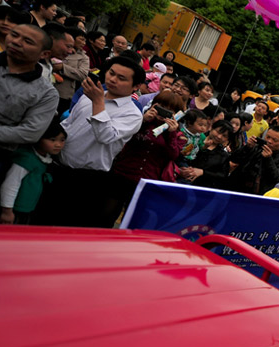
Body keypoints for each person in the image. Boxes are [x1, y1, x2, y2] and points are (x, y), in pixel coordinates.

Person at [41, 54, 144, 227]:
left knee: (66, 228)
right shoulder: (90, 95)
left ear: (136, 86)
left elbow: (105, 136)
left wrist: (98, 102)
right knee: (41, 219)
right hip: (57, 167)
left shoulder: (132, 114)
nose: (112, 79)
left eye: (121, 78)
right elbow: (69, 125)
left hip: (86, 180)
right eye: (111, 73)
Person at [0, 24, 59, 219]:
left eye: (28, 41)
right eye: (14, 35)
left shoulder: (46, 93)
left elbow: (30, 132)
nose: (16, 42)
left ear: (44, 54)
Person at [102, 90, 186, 225]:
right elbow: (123, 137)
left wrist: (171, 134)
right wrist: (143, 120)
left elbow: (173, 155)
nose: (164, 112)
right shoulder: (140, 120)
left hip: (145, 182)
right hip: (122, 174)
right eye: (161, 107)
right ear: (154, 105)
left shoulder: (177, 134)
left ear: (176, 114)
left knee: (131, 221)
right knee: (106, 215)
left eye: (170, 110)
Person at [0, 116, 66, 224]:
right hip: (13, 210)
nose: (58, 144)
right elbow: (10, 185)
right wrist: (7, 211)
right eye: (52, 140)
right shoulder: (26, 159)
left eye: (62, 140)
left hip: (26, 209)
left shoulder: (46, 158)